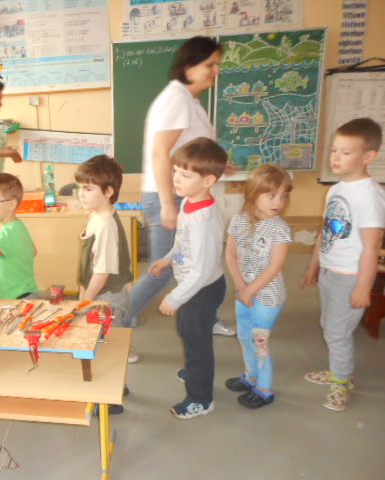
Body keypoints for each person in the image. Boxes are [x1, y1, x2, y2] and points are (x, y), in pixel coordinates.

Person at [125, 36, 233, 361]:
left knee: (198, 260)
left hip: (181, 195)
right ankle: (115, 323)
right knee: (164, 270)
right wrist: (168, 203)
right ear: (189, 66)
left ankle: (206, 317)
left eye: (217, 64)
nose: (215, 71)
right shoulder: (176, 99)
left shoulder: (190, 100)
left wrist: (218, 165)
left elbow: (190, 150)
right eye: (210, 64)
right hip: (168, 195)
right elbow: (160, 153)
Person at [301, 117, 385, 411]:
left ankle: (341, 382)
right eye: (334, 150)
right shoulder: (335, 190)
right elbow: (325, 232)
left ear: (368, 156)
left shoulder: (370, 195)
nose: (335, 157)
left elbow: (371, 246)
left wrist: (363, 287)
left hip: (350, 275)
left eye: (345, 152)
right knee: (329, 325)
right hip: (330, 270)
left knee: (337, 332)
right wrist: (314, 266)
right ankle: (339, 371)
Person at [150, 137, 227, 420]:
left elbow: (201, 271)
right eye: (175, 171)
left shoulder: (204, 221)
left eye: (184, 175)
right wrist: (169, 258)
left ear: (207, 181)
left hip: (202, 288)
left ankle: (200, 398)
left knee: (197, 344)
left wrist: (174, 298)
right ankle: (196, 372)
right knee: (187, 330)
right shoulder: (189, 203)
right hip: (191, 286)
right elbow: (183, 240)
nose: (176, 179)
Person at [224, 164, 293, 409]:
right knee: (244, 336)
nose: (279, 201)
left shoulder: (280, 228)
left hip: (267, 298)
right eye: (272, 195)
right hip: (244, 293)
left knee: (259, 342)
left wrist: (249, 290)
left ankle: (264, 390)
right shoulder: (238, 221)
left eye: (284, 195)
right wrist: (241, 286)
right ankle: (251, 377)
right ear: (253, 193)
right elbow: (230, 254)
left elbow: (275, 267)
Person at [76, 154, 134, 415]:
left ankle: (111, 399)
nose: (81, 194)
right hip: (97, 295)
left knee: (107, 348)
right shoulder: (96, 216)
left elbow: (102, 273)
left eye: (88, 188)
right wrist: (84, 293)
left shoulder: (106, 225)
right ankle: (118, 387)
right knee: (102, 344)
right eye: (80, 187)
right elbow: (90, 264)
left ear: (108, 191)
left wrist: (85, 300)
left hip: (106, 299)